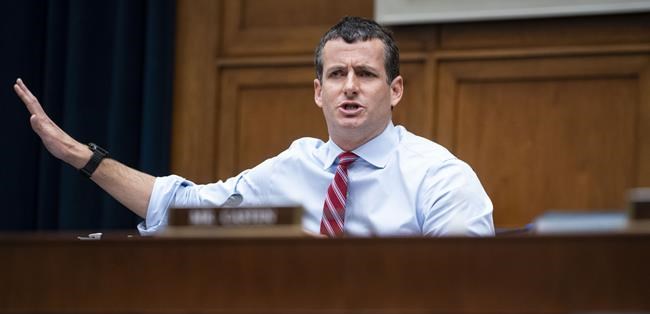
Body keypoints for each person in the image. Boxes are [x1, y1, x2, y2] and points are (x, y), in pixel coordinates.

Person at [14, 16, 494, 237]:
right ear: (318, 91)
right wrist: (83, 157)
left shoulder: (440, 177)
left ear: (395, 90)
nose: (349, 87)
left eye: (366, 74)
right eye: (336, 75)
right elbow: (186, 210)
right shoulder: (292, 166)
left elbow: (461, 285)